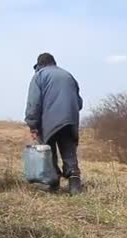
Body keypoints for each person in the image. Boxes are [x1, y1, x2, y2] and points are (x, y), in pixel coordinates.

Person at [24, 52, 83, 195]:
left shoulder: (39, 76)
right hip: (70, 120)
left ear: (39, 65)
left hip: (49, 121)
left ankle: (53, 184)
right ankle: (75, 185)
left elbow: (34, 102)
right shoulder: (68, 75)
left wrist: (32, 124)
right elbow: (79, 103)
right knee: (69, 151)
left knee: (49, 152)